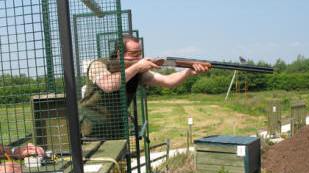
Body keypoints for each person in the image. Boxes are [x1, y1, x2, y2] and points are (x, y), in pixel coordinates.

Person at [79, 35, 211, 139]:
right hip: (92, 131)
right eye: (134, 54)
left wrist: (189, 72)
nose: (139, 57)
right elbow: (109, 85)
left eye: (140, 53)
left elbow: (168, 81)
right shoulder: (98, 65)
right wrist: (137, 67)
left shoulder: (137, 71)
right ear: (119, 53)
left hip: (116, 131)